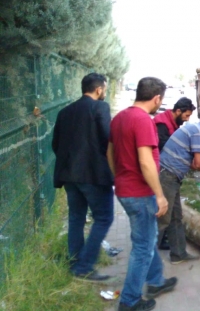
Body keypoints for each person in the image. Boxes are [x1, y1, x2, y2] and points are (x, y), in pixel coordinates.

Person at [107, 77, 176, 311]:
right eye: (161, 100)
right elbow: (146, 162)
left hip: (125, 189)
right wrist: (160, 195)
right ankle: (129, 301)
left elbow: (110, 152)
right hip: (140, 193)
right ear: (157, 98)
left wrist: (120, 177)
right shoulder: (144, 120)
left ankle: (156, 281)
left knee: (146, 237)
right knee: (143, 247)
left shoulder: (120, 118)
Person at [52, 73, 114, 282]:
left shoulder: (65, 111)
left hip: (69, 175)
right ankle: (84, 266)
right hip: (94, 175)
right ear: (99, 89)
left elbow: (56, 144)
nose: (104, 92)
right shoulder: (100, 108)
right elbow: (108, 140)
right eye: (104, 88)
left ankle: (75, 261)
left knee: (76, 218)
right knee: (104, 218)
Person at [157, 111, 200, 264]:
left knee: (175, 217)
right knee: (162, 220)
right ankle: (144, 261)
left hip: (169, 177)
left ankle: (178, 254)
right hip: (167, 177)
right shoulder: (199, 133)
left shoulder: (193, 128)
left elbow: (195, 163)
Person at [153, 97, 195, 250]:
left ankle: (177, 251)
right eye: (186, 115)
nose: (187, 119)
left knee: (174, 214)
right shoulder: (162, 124)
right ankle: (149, 253)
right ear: (178, 111)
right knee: (163, 215)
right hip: (164, 171)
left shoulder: (173, 123)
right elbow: (164, 147)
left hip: (170, 173)